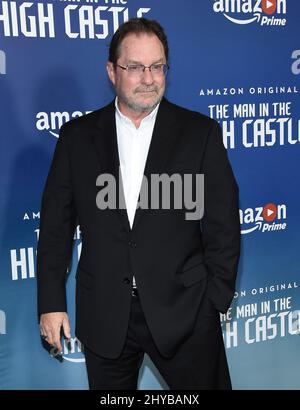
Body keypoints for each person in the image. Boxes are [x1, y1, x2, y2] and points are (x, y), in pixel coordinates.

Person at [37, 17, 240, 390]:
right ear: (111, 71)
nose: (149, 77)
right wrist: (51, 302)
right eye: (135, 67)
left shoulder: (199, 133)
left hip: (186, 312)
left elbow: (223, 224)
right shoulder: (77, 138)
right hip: (105, 313)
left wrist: (214, 301)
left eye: (158, 66)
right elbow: (55, 227)